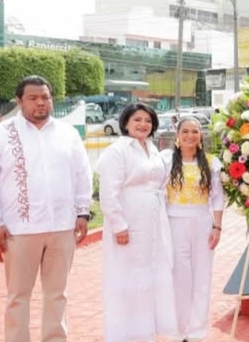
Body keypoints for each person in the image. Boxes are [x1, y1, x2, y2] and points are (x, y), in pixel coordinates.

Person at [0, 75, 93, 342]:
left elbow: (82, 174)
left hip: (62, 227)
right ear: (19, 101)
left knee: (57, 294)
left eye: (45, 97)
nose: (40, 102)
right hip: (19, 229)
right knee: (18, 296)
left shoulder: (68, 133)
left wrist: (83, 212)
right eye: (33, 98)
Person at [97, 102, 177, 342]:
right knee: (128, 275)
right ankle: (126, 333)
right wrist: (119, 225)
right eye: (137, 120)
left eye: (148, 121)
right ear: (125, 123)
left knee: (151, 273)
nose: (143, 125)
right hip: (129, 222)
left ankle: (146, 331)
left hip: (153, 221)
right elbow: (108, 193)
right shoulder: (117, 151)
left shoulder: (152, 148)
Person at [161, 115, 225, 341]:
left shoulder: (211, 162)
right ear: (177, 136)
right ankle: (179, 330)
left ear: (200, 136)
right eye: (185, 131)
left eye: (195, 131)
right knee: (179, 277)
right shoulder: (165, 161)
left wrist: (217, 227)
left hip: (202, 223)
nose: (190, 135)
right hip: (174, 223)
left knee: (202, 276)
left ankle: (197, 330)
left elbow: (217, 197)